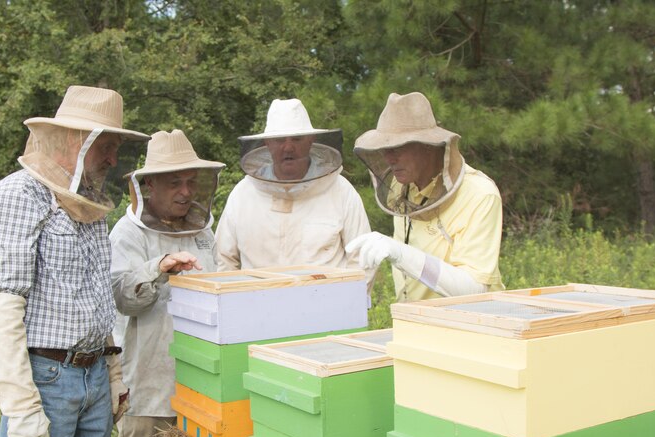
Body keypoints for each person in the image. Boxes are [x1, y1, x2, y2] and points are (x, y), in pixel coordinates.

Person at [0, 85, 148, 437]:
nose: (112, 159)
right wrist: (21, 408)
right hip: (46, 380)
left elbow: (94, 300)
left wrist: (111, 374)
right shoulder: (19, 195)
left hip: (91, 377)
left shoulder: (86, 202)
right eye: (105, 147)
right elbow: (0, 305)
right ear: (76, 141)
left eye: (114, 148)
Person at [108, 130, 223, 437]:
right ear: (149, 185)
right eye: (175, 182)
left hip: (196, 383)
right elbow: (123, 298)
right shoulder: (126, 234)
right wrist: (157, 268)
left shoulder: (203, 231)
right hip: (145, 381)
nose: (186, 191)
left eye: (192, 182)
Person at [346, 92, 504, 301]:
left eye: (397, 147)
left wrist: (402, 254)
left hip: (473, 325)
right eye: (385, 148)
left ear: (429, 146)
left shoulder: (479, 194)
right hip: (416, 323)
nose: (389, 158)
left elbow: (475, 289)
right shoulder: (401, 189)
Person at [215, 98, 373, 280]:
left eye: (297, 139)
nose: (288, 147)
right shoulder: (243, 194)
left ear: (310, 140)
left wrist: (347, 304)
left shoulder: (341, 190)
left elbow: (363, 258)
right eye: (280, 139)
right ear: (267, 143)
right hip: (258, 303)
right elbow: (224, 260)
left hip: (325, 304)